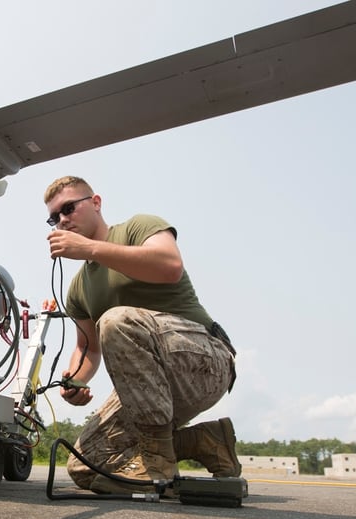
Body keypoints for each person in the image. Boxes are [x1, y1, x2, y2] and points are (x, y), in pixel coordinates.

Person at [43, 175, 240, 494]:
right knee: (84, 464)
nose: (63, 220)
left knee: (116, 320)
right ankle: (205, 441)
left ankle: (158, 465)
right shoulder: (78, 288)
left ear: (95, 203)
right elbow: (88, 350)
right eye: (54, 217)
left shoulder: (138, 227)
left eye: (69, 208)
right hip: (146, 388)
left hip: (203, 363)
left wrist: (91, 248)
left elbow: (169, 265)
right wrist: (75, 380)